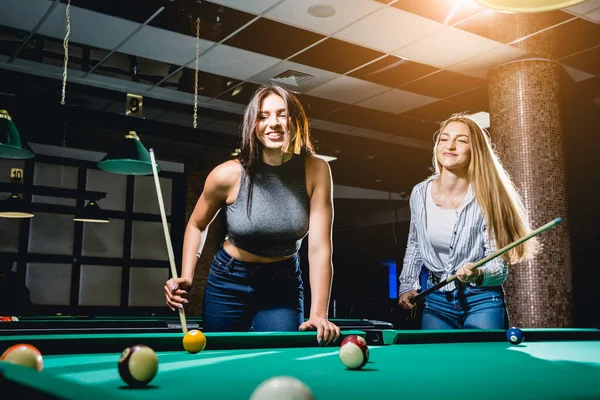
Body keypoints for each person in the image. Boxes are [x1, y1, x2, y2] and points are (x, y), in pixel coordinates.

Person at [164, 84, 340, 345]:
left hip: (282, 282)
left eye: (282, 114)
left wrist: (318, 313)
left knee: (281, 357)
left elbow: (319, 248)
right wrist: (187, 274)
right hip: (228, 279)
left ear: (295, 120)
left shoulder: (316, 170)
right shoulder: (227, 174)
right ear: (252, 125)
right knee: (220, 359)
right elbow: (197, 225)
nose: (274, 123)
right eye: (263, 116)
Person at [397, 113, 538, 329]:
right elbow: (415, 244)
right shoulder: (420, 193)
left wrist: (478, 273)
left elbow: (498, 268)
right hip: (436, 300)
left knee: (482, 363)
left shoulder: (488, 196)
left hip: (481, 300)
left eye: (461, 140)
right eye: (444, 139)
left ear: (475, 151)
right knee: (439, 364)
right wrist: (407, 284)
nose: (450, 146)